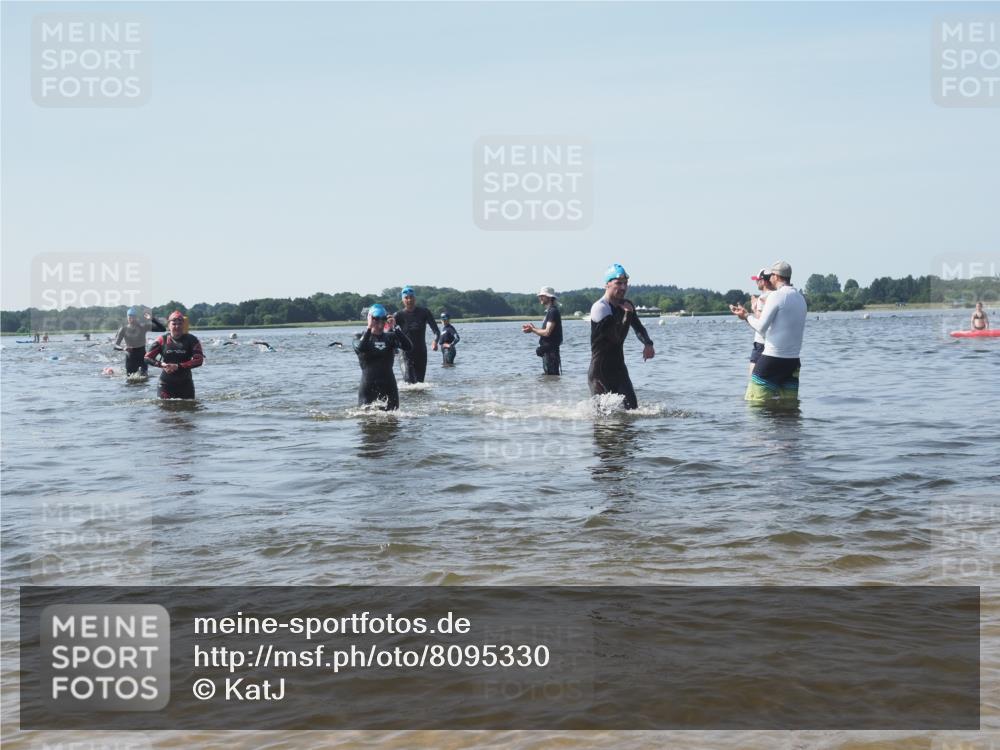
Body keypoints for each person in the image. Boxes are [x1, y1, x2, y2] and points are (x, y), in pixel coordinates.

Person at [729, 260, 807, 403]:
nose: (770, 278)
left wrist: (745, 316)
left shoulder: (776, 296)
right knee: (789, 408)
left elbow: (761, 327)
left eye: (771, 275)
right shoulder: (801, 298)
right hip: (793, 362)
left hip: (772, 359)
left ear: (776, 277)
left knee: (754, 404)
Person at [588, 264, 655, 410]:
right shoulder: (600, 308)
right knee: (602, 418)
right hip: (600, 372)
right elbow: (616, 339)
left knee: (633, 411)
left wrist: (648, 344)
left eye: (625, 283)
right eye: (618, 283)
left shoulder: (627, 305)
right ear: (607, 284)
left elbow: (638, 327)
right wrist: (627, 315)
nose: (623, 287)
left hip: (619, 370)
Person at [353, 304, 413, 410]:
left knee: (393, 421)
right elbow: (361, 348)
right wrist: (369, 328)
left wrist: (395, 328)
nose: (380, 323)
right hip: (368, 388)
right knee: (366, 420)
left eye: (383, 319)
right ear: (370, 319)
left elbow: (408, 347)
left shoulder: (390, 337)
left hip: (389, 386)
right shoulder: (359, 337)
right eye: (376, 319)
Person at [144, 311, 205, 399]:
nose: (177, 326)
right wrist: (162, 365)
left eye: (180, 324)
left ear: (183, 325)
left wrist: (178, 366)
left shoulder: (192, 340)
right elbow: (147, 358)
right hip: (166, 384)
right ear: (169, 325)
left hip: (185, 384)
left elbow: (199, 360)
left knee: (189, 411)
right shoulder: (162, 340)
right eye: (174, 324)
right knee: (165, 411)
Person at [393, 286, 440, 383]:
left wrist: (435, 341)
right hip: (405, 353)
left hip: (421, 352)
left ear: (415, 298)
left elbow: (436, 331)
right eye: (406, 298)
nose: (409, 300)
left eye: (411, 297)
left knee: (420, 384)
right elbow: (389, 333)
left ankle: (420, 399)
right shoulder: (398, 315)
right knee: (409, 382)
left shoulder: (424, 312)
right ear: (402, 300)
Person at [522, 286, 563, 375]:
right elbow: (546, 331)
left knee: (551, 379)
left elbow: (547, 332)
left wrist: (533, 330)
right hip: (549, 351)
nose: (539, 297)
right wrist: (532, 329)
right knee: (550, 379)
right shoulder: (551, 311)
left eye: (542, 296)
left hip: (551, 352)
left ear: (549, 297)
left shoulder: (553, 312)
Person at [114, 307, 166, 376]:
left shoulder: (143, 327)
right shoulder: (123, 329)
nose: (131, 319)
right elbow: (115, 346)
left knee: (144, 379)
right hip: (130, 358)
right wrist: (123, 348)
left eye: (133, 317)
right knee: (130, 380)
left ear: (136, 317)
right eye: (129, 317)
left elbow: (162, 329)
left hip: (142, 357)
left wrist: (152, 319)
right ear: (127, 317)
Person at [747, 269, 774, 371]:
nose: (756, 282)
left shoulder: (763, 297)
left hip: (761, 343)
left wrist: (754, 307)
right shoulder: (776, 295)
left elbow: (761, 320)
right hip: (773, 343)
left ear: (763, 281)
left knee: (753, 374)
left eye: (757, 280)